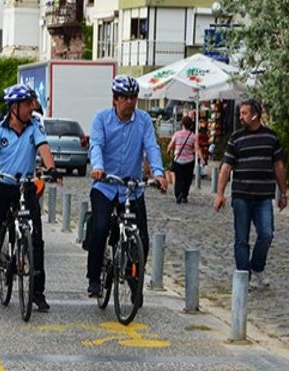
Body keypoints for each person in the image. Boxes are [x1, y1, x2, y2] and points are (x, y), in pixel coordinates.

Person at [0, 85, 59, 312]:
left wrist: (52, 168)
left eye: (31, 103)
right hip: (1, 184)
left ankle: (37, 292)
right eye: (27, 104)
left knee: (36, 238)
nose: (31, 108)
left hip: (24, 186)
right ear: (14, 107)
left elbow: (44, 149)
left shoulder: (35, 126)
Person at [86, 75, 168, 298]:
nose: (130, 102)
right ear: (115, 99)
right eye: (125, 98)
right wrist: (98, 167)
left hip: (132, 188)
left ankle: (135, 283)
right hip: (106, 185)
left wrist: (158, 173)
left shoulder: (143, 121)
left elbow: (152, 147)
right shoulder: (101, 118)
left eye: (133, 98)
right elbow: (96, 145)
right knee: (101, 227)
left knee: (142, 238)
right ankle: (94, 278)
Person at [214, 99, 286, 288]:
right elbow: (226, 167)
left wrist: (284, 192)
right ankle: (243, 277)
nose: (241, 117)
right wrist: (220, 194)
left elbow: (278, 165)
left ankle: (257, 267)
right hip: (241, 195)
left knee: (266, 234)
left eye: (244, 113)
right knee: (241, 238)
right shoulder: (236, 138)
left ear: (255, 115)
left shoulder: (271, 137)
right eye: (240, 113)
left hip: (263, 196)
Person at [167, 116, 204, 204]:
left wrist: (169, 150)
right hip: (189, 161)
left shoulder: (177, 134)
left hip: (178, 160)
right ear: (191, 125)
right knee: (187, 179)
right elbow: (197, 148)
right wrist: (201, 158)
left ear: (182, 124)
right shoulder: (193, 136)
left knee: (179, 178)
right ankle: (184, 195)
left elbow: (171, 145)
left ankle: (178, 194)